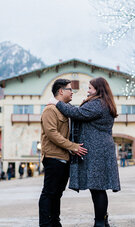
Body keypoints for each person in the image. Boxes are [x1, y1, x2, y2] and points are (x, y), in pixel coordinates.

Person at [50, 77, 120, 227]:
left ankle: (100, 222)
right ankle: (103, 220)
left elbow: (78, 113)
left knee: (97, 188)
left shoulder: (98, 103)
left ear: (98, 89)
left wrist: (58, 103)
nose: (88, 90)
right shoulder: (103, 102)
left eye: (90, 88)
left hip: (97, 150)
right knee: (98, 187)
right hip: (100, 149)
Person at [39, 78, 88, 227]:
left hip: (63, 158)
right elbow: (52, 133)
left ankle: (55, 222)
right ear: (61, 91)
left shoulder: (63, 109)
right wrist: (73, 146)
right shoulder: (50, 110)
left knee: (57, 193)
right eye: (69, 89)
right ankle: (46, 224)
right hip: (53, 157)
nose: (72, 92)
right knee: (49, 192)